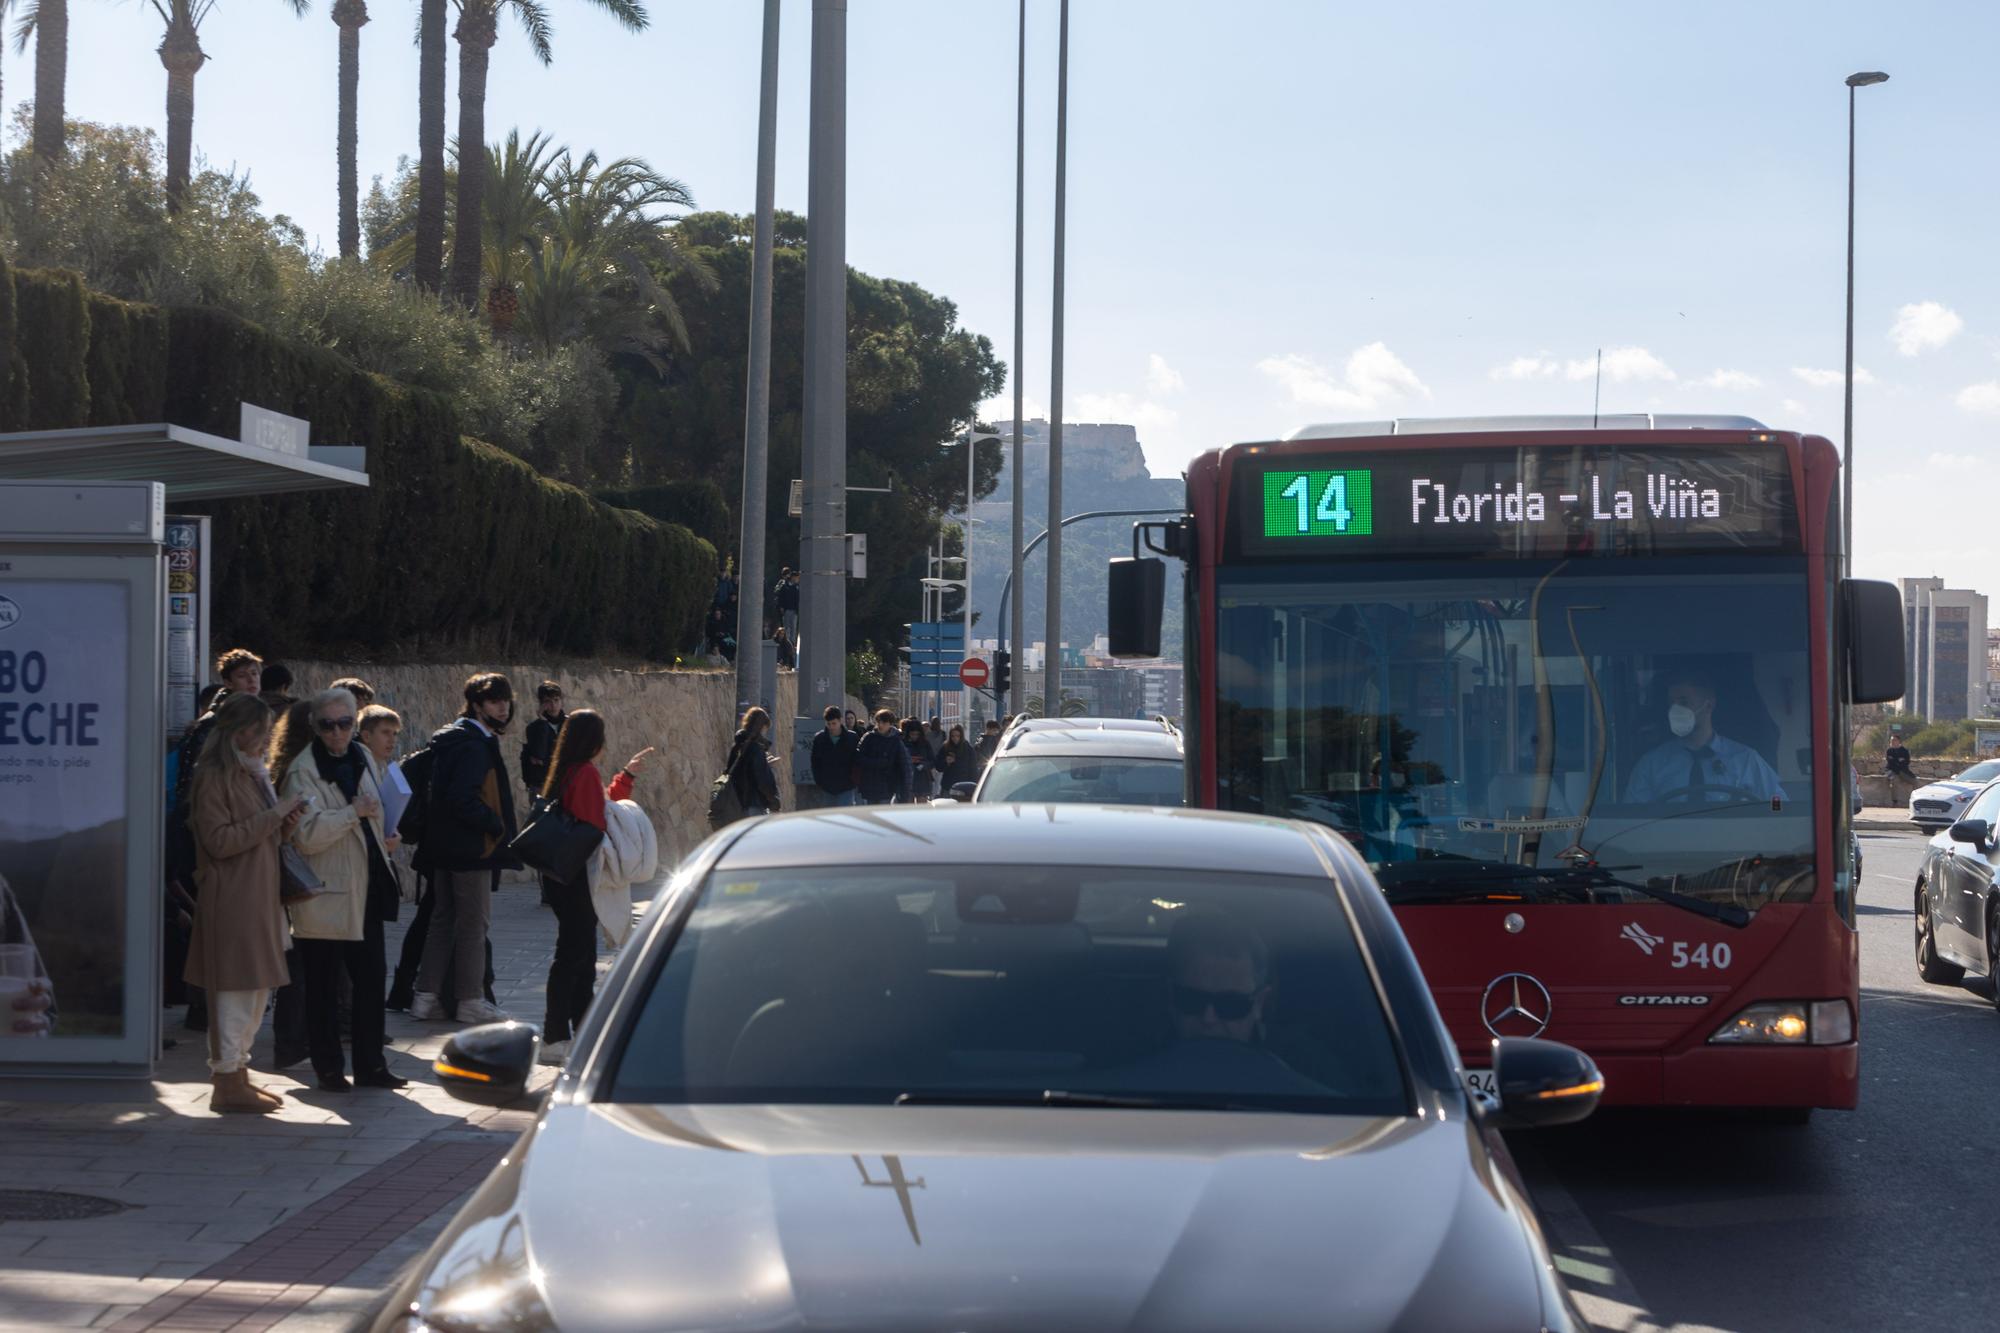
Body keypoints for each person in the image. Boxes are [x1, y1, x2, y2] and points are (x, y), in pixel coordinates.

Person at [275, 690, 406, 1091]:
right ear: (314, 727)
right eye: (328, 725)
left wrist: (386, 833)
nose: (337, 732)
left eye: (345, 723)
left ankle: (372, 1066)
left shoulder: (363, 756)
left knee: (370, 980)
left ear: (355, 722)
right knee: (322, 985)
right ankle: (328, 1069)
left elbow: (376, 805)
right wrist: (354, 814)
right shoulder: (302, 771)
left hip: (365, 885)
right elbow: (308, 835)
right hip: (325, 893)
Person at [183, 693, 304, 1113]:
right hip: (233, 896)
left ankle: (238, 1072)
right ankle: (227, 1077)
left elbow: (256, 838)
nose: (268, 737)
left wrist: (284, 825)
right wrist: (275, 816)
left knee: (255, 988)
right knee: (235, 989)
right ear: (242, 732)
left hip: (257, 894)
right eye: (263, 730)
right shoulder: (215, 776)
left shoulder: (252, 773)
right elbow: (220, 841)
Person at [538, 710, 654, 1065]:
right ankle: (555, 1036)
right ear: (594, 740)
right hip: (579, 879)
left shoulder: (566, 771)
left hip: (563, 876)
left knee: (581, 957)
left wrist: (627, 775)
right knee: (574, 958)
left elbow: (596, 805)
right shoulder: (584, 772)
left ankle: (581, 1031)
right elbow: (596, 821)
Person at [410, 673, 522, 1025]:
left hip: (442, 847)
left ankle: (425, 997)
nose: (502, 707)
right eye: (493, 700)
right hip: (470, 850)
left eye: (505, 700)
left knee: (443, 921)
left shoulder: (452, 738)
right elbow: (462, 798)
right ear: (476, 704)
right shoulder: (474, 745)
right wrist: (495, 825)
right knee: (474, 925)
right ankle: (470, 1000)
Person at [1624, 674, 1787, 805]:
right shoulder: (1651, 765)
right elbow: (1632, 818)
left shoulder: (1746, 760)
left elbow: (1778, 803)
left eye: (1684, 702)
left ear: (1708, 706)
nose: (1675, 710)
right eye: (1671, 703)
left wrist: (1766, 817)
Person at [1167, 911, 1271, 1045]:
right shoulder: (1138, 1060)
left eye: (1230, 1004)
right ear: (1171, 997)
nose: (1208, 1019)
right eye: (1192, 1000)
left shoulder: (1297, 1061)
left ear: (1259, 1004)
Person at [725, 707, 781, 817]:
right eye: (765, 729)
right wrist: (774, 802)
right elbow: (762, 780)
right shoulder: (756, 749)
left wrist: (765, 764)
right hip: (753, 804)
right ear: (762, 727)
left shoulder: (737, 746)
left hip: (735, 802)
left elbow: (736, 771)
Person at [855, 709, 912, 805]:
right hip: (870, 785)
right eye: (878, 722)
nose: (880, 725)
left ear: (890, 723)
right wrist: (878, 763)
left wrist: (905, 791)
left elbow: (905, 766)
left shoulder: (896, 741)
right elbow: (858, 757)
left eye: (884, 722)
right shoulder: (868, 737)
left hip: (887, 786)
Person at [520, 682, 565, 799]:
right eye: (548, 701)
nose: (553, 705)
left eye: (556, 700)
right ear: (541, 704)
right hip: (541, 785)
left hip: (565, 783)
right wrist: (543, 723)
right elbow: (539, 754)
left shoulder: (570, 724)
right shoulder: (534, 728)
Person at [810, 704, 860, 806]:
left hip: (846, 786)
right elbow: (815, 762)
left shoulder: (852, 738)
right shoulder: (819, 739)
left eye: (834, 723)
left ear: (840, 720)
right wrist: (820, 781)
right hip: (827, 787)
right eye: (829, 724)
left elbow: (857, 761)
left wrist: (854, 781)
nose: (831, 727)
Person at [933, 723, 980, 794]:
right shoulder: (945, 747)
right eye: (953, 736)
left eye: (958, 736)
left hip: (964, 786)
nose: (955, 738)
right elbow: (938, 766)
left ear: (961, 736)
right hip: (948, 785)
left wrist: (973, 787)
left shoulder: (968, 749)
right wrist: (946, 762)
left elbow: (973, 769)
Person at [901, 718, 934, 801]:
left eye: (917, 734)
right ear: (908, 733)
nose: (914, 736)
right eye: (912, 734)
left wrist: (924, 765)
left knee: (921, 809)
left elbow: (932, 760)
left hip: (922, 779)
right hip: (907, 779)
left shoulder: (925, 744)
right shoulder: (903, 743)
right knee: (909, 808)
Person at [777, 568, 801, 642]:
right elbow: (781, 597)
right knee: (786, 627)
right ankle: (786, 641)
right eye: (796, 577)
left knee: (793, 627)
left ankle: (792, 642)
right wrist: (781, 607)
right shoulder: (784, 586)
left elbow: (797, 599)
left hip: (794, 610)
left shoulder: (796, 587)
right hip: (787, 609)